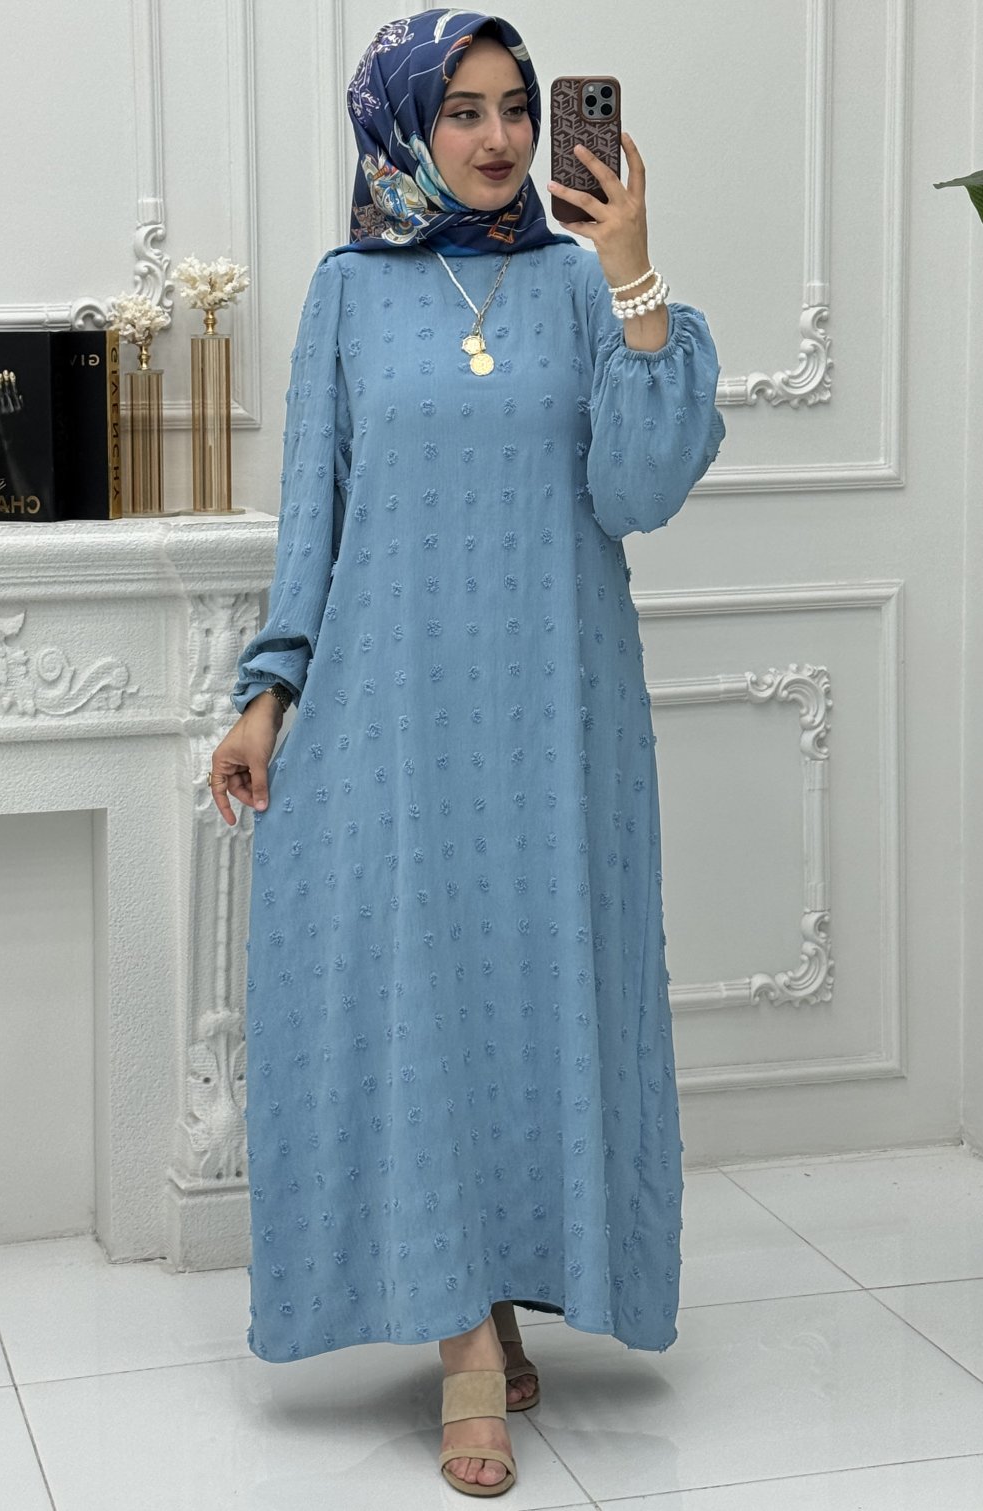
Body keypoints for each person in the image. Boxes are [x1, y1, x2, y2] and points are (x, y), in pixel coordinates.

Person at [209, 9, 725, 1498]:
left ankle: (495, 1287)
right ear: (403, 128)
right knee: (423, 1001)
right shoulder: (348, 292)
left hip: (558, 718)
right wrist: (268, 690)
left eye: (516, 106)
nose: (499, 139)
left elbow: (638, 493)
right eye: (463, 111)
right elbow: (315, 514)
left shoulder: (581, 286)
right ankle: (461, 1349)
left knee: (531, 995)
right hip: (393, 719)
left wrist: (635, 274)